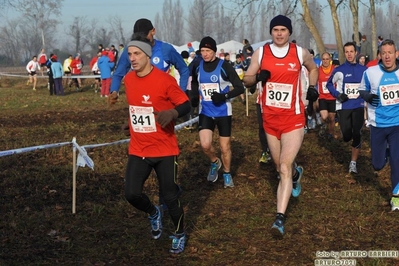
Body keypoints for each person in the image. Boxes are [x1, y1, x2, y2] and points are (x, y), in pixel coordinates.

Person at [243, 15, 318, 237]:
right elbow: (246, 79)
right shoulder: (261, 53)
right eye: (275, 29)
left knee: (284, 167)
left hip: (293, 119)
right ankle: (296, 174)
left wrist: (312, 88)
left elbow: (313, 68)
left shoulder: (299, 52)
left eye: (283, 30)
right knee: (279, 167)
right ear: (271, 31)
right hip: (270, 120)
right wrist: (257, 77)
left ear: (289, 32)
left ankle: (279, 219)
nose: (279, 33)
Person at [123, 35, 190, 254]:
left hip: (164, 150)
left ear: (148, 55)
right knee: (131, 194)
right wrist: (131, 123)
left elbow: (186, 105)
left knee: (170, 197)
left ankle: (179, 233)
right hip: (139, 148)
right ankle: (153, 212)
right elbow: (138, 108)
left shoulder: (165, 80)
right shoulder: (129, 80)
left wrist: (171, 113)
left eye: (137, 54)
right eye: (130, 54)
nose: (132, 58)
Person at [190, 36, 245, 188]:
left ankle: (227, 173)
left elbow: (240, 87)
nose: (205, 54)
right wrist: (194, 95)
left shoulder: (224, 66)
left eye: (208, 50)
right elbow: (194, 81)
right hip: (206, 111)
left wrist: (224, 96)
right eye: (202, 51)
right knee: (205, 145)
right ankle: (215, 162)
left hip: (223, 112)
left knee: (225, 147)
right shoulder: (198, 65)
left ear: (214, 51)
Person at [358, 39, 399, 211]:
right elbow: (361, 90)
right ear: (380, 55)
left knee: (397, 162)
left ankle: (396, 196)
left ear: (396, 54)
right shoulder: (370, 72)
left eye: (390, 52)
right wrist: (367, 96)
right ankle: (386, 154)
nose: (387, 56)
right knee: (377, 165)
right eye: (384, 53)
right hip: (377, 124)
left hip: (397, 124)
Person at [109, 18, 189, 103]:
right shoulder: (130, 50)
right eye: (138, 38)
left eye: (144, 37)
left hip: (163, 102)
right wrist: (114, 91)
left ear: (153, 31)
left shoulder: (165, 49)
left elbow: (184, 69)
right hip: (140, 100)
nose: (142, 41)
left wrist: (181, 92)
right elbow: (118, 74)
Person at [326, 42, 367, 174]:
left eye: (351, 51)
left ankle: (353, 163)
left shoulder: (364, 70)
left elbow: (371, 86)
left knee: (357, 133)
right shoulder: (339, 70)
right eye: (347, 52)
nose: (349, 54)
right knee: (346, 136)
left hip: (359, 105)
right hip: (344, 106)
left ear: (356, 53)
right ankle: (348, 137)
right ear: (344, 54)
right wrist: (338, 95)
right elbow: (329, 84)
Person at [317, 52, 336, 139]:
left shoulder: (334, 70)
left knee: (332, 118)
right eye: (323, 59)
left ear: (330, 60)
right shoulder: (318, 70)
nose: (325, 61)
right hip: (323, 97)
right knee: (324, 117)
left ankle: (330, 134)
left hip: (332, 97)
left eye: (327, 59)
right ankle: (324, 127)